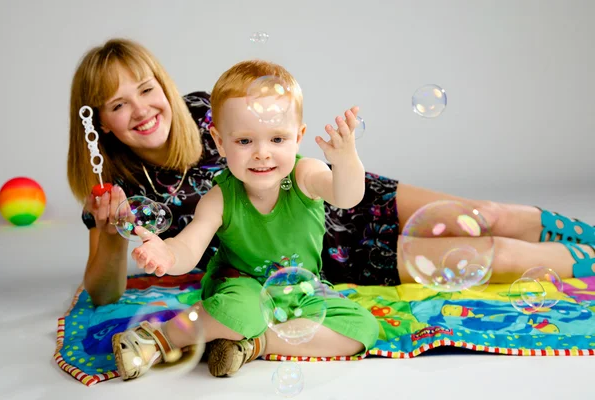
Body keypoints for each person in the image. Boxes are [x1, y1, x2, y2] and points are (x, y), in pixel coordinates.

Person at [66, 37, 594, 355]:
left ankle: (585, 233)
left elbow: (274, 125)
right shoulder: (120, 194)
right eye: (117, 104)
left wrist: (340, 156)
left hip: (340, 192)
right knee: (495, 256)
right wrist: (112, 232)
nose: (140, 109)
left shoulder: (207, 111)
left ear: (163, 84)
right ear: (100, 125)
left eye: (146, 89)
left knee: (485, 214)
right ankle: (586, 260)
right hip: (332, 253)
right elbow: (106, 293)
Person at [107, 58, 380, 380]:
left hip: (299, 289)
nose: (262, 153)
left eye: (277, 139)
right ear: (220, 142)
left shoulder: (305, 174)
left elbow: (347, 196)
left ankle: (251, 345)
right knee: (240, 312)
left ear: (298, 136)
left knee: (363, 328)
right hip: (240, 286)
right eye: (245, 141)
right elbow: (190, 245)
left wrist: (346, 161)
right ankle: (156, 338)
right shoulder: (221, 196)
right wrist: (168, 254)